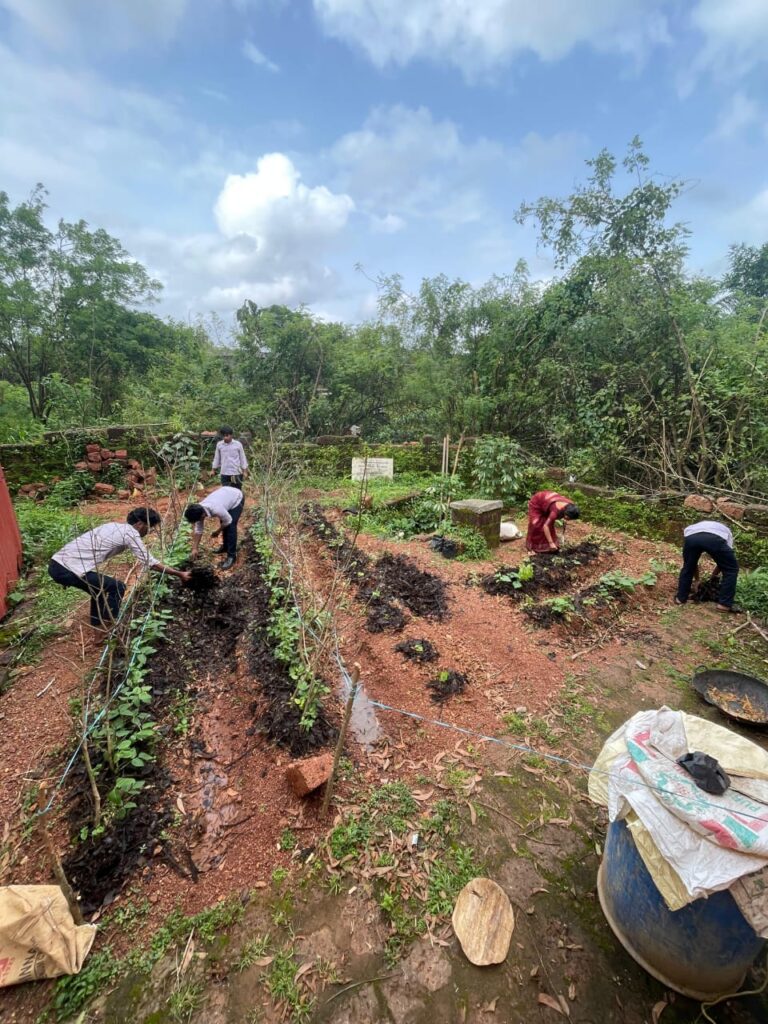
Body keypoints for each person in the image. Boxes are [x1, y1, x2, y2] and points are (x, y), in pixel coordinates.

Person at [48, 508, 191, 629]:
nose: (149, 531)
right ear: (140, 524)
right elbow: (150, 563)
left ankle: (99, 628)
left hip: (58, 563)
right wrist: (179, 574)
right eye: (149, 527)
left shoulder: (113, 525)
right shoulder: (130, 534)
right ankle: (111, 626)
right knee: (117, 587)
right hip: (67, 569)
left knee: (98, 591)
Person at [675, 520, 740, 613]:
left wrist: (697, 580)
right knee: (731, 569)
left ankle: (680, 598)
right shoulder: (727, 532)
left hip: (692, 538)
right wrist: (713, 577)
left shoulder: (692, 527)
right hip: (714, 539)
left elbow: (693, 564)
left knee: (688, 566)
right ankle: (724, 604)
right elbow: (723, 563)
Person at [184, 485, 244, 570]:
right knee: (223, 521)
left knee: (231, 526)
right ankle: (225, 547)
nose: (198, 522)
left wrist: (217, 531)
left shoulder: (216, 509)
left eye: (198, 520)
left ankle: (232, 556)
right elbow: (198, 530)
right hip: (225, 494)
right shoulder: (198, 510)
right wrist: (195, 548)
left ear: (202, 515)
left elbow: (228, 521)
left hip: (236, 497)